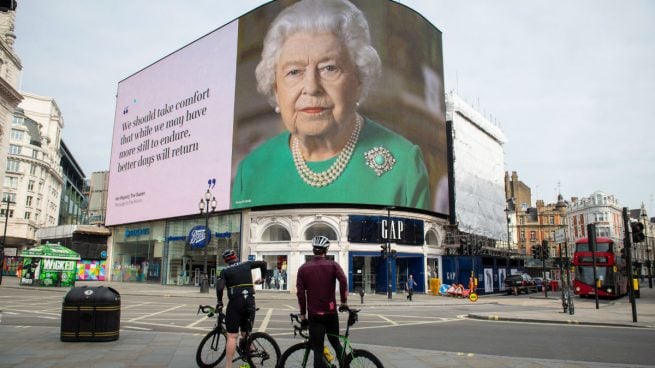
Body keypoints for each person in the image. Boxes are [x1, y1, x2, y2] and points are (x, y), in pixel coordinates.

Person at [231, 0, 431, 211]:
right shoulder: (251, 172)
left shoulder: (403, 164)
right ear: (276, 89)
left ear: (359, 79)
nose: (311, 87)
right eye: (294, 72)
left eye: (329, 68)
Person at [296, 236, 348, 368]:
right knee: (335, 342)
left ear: (313, 250)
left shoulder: (303, 269)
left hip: (314, 314)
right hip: (330, 312)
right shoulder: (333, 265)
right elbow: (343, 280)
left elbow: (301, 294)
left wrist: (302, 315)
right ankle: (346, 365)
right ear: (326, 250)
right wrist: (343, 301)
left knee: (318, 349)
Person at [216, 249, 267, 368]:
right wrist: (263, 278)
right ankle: (251, 350)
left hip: (236, 303)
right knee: (245, 332)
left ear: (225, 260)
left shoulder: (225, 271)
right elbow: (263, 264)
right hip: (250, 301)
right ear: (236, 257)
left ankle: (228, 366)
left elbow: (219, 288)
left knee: (232, 336)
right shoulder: (246, 264)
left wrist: (219, 302)